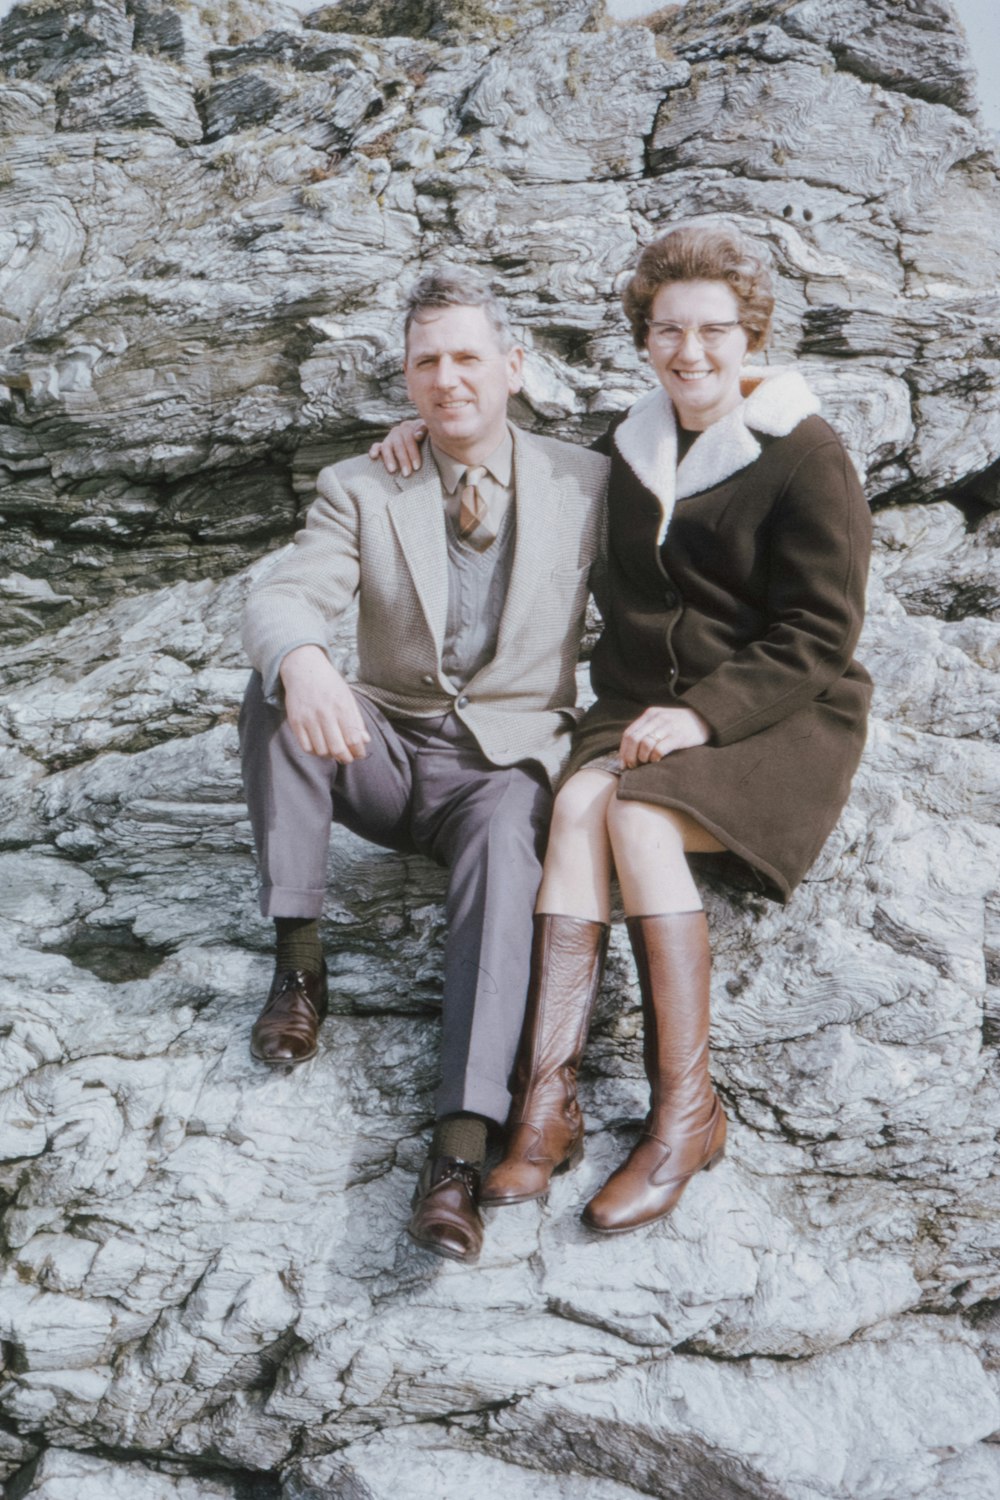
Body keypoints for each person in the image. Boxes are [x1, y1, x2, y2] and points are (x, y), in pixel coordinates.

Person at [375, 225, 872, 1237]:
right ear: (644, 339)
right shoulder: (628, 447)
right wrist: (419, 445)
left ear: (750, 335)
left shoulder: (806, 453)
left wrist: (702, 713)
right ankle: (545, 1103)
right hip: (639, 709)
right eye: (668, 332)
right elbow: (521, 487)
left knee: (636, 825)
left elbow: (820, 632)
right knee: (576, 810)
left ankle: (685, 1118)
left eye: (713, 333)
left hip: (774, 715)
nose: (690, 353)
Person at [239, 268, 608, 1264]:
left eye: (467, 357)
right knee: (279, 683)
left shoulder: (590, 482)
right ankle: (301, 965)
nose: (448, 378)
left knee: (504, 850)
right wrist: (308, 658)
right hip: (389, 754)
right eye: (426, 361)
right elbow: (283, 596)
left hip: (504, 769)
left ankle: (454, 1158)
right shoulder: (362, 483)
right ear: (406, 378)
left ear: (513, 366)